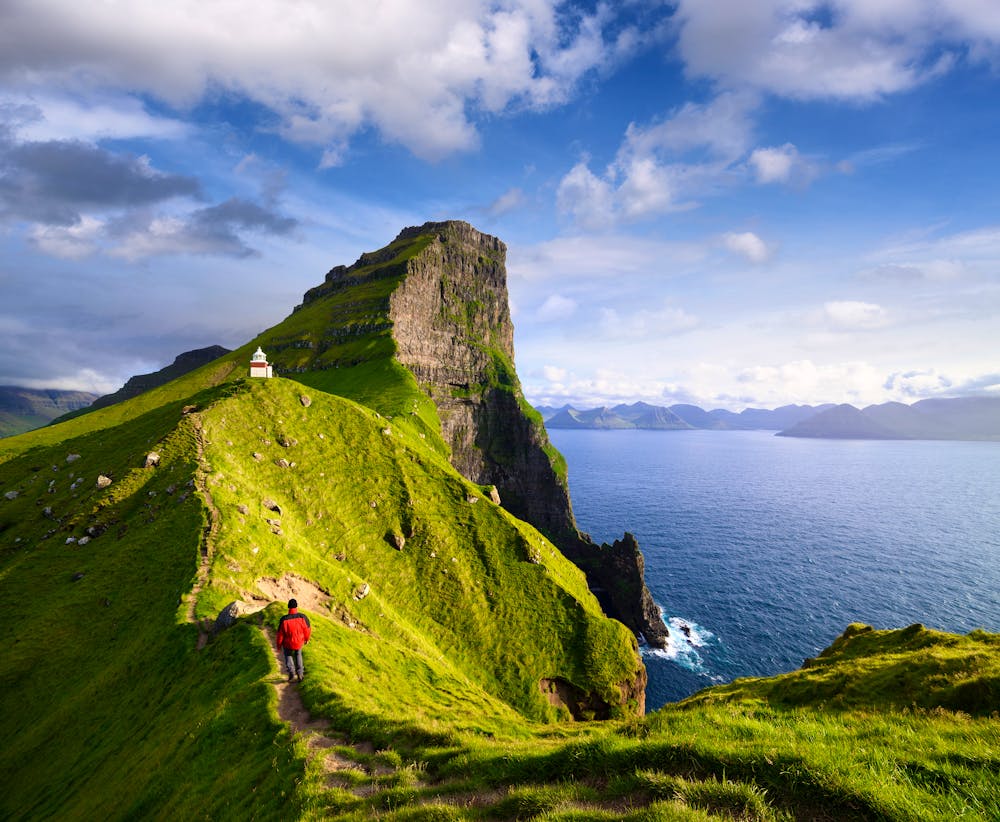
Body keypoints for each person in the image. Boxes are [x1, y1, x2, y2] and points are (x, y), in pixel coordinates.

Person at [276, 598, 311, 683]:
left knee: (288, 655)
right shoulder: (303, 617)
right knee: (298, 655)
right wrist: (307, 639)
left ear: (288, 607)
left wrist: (279, 645)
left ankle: (291, 672)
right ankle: (300, 673)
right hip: (299, 642)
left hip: (288, 643)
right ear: (296, 606)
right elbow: (307, 630)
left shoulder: (284, 619)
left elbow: (280, 634)